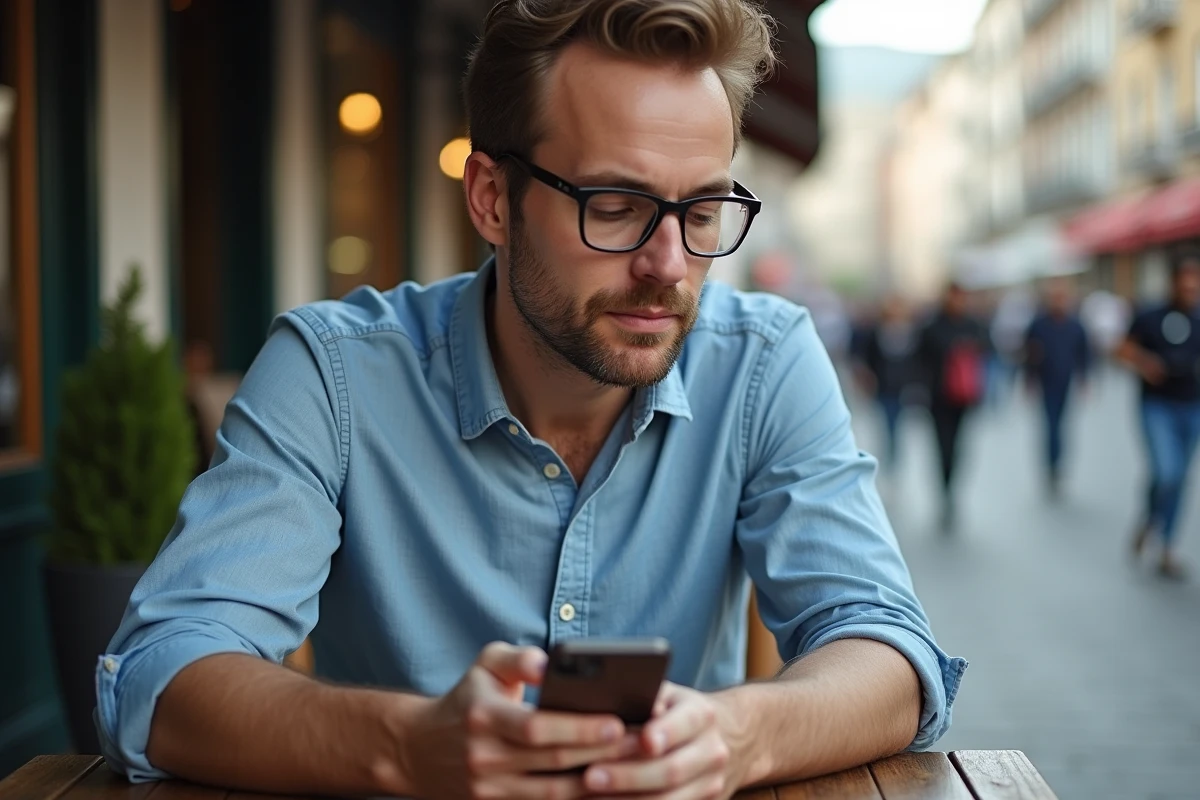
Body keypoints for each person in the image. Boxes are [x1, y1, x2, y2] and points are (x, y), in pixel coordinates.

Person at [96, 3, 965, 798]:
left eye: (701, 213)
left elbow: (888, 651)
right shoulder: (335, 373)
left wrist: (735, 736)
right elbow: (163, 672)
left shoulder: (765, 360)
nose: (667, 265)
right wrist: (409, 747)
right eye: (616, 207)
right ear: (490, 199)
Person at [1116, 255, 1200, 580]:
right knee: (1166, 471)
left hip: (1191, 405)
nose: (1191, 288)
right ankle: (1152, 519)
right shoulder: (1150, 316)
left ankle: (1166, 546)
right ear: (1174, 282)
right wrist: (1144, 361)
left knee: (1179, 477)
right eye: (1186, 280)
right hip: (1157, 406)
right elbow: (1120, 349)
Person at [918, 282, 990, 530]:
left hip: (963, 398)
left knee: (958, 447)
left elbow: (987, 349)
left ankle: (952, 489)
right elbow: (921, 359)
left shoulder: (972, 325)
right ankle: (945, 490)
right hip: (938, 399)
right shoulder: (933, 326)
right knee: (942, 447)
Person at [1023, 279, 1091, 499]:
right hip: (1046, 381)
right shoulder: (1039, 324)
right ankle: (1052, 466)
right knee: (1050, 425)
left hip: (1065, 380)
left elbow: (1084, 353)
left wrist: (1084, 379)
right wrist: (1029, 379)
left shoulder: (1074, 324)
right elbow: (1029, 353)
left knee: (1061, 425)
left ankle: (1058, 463)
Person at [851, 295, 920, 469]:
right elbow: (866, 358)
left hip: (901, 388)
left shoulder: (910, 332)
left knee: (898, 423)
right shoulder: (876, 333)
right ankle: (890, 456)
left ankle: (894, 455)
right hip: (882, 387)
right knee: (886, 422)